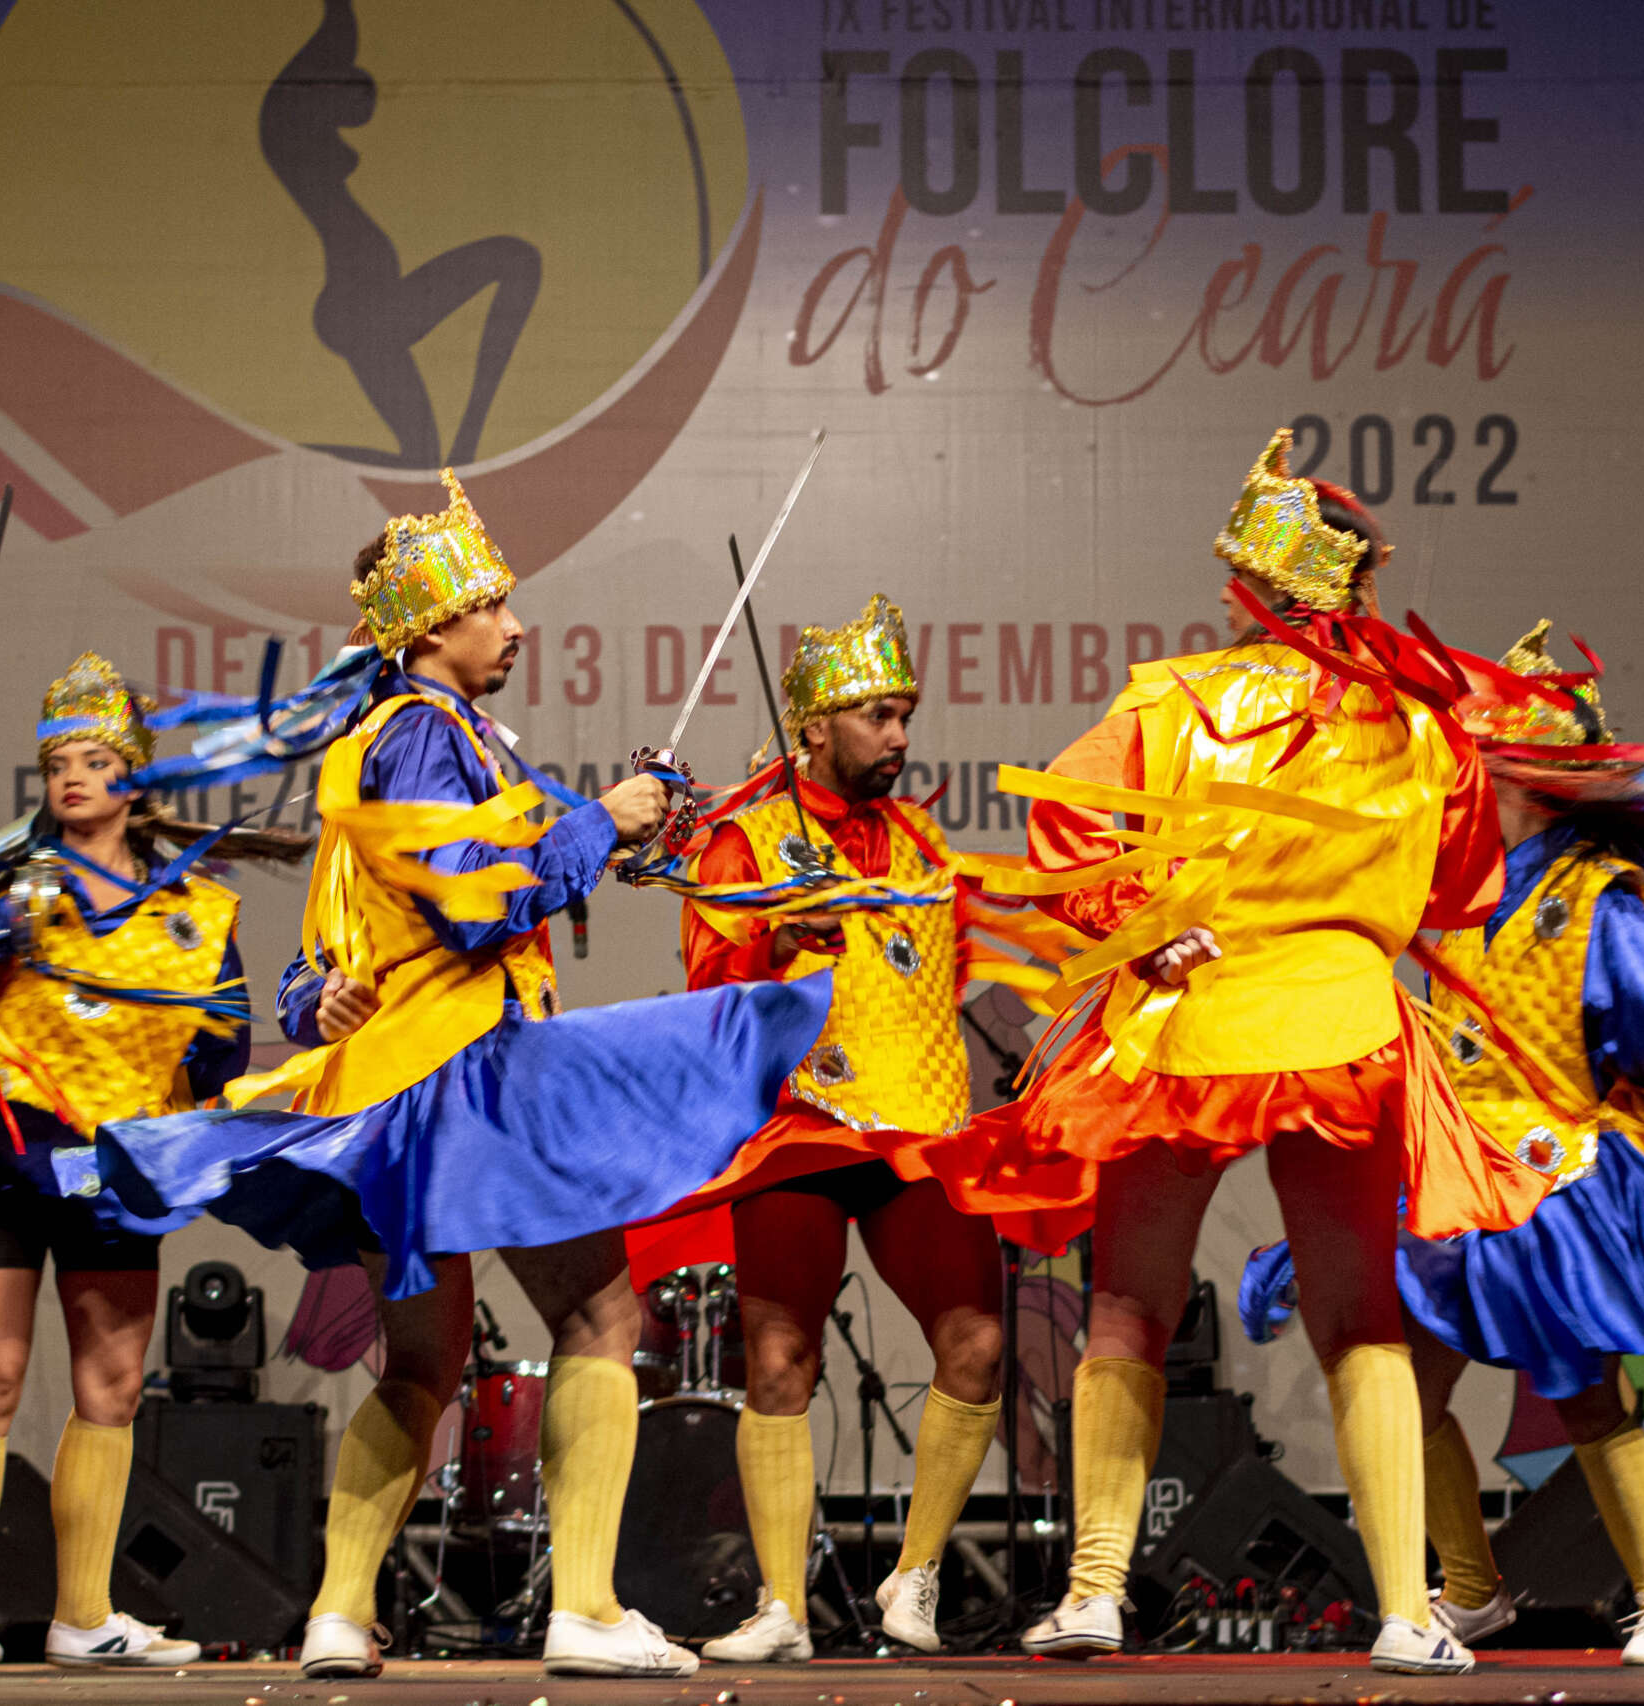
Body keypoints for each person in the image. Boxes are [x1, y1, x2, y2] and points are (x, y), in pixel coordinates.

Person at [77, 472, 832, 1679]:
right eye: (495, 604)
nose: (517, 626)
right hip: (466, 1079)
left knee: (423, 1362)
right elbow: (478, 901)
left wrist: (307, 997)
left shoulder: (382, 742)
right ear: (433, 628)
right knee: (597, 1312)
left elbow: (337, 941)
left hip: (392, 1090)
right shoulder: (428, 733)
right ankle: (582, 1603)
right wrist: (599, 818)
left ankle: (334, 1608)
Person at [991, 430, 1551, 1676]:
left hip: (1193, 1021)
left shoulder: (1170, 700)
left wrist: (1148, 927)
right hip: (1341, 1021)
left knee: (1129, 1306)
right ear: (1350, 591)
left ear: (1244, 590)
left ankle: (1092, 1591)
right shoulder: (1421, 725)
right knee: (1360, 1320)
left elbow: (1065, 837)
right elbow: (1462, 890)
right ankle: (1408, 1607)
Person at [1238, 620, 1644, 1667]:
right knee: (1405, 1385)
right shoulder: (1456, 890)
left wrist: (1603, 1086)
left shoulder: (1594, 894)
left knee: (1583, 1389)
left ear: (1514, 774)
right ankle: (1469, 1588)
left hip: (1553, 1176)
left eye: (1471, 760)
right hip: (1456, 1172)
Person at [635, 594, 1079, 1662]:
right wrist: (773, 931)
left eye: (904, 714)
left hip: (914, 1124)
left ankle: (912, 1576)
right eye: (878, 715)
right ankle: (781, 1605)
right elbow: (708, 992)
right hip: (799, 1124)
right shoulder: (747, 834)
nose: (899, 736)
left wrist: (1053, 1027)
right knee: (778, 1359)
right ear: (817, 726)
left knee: (976, 1346)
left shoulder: (919, 835)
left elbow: (965, 964)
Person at [0, 653, 298, 1672]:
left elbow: (223, 1051)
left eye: (94, 758)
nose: (72, 776)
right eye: (59, 761)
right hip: (10, 1145)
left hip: (115, 1164)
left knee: (111, 1383)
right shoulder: (0, 885)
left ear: (133, 778)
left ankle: (83, 1612)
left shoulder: (197, 910)